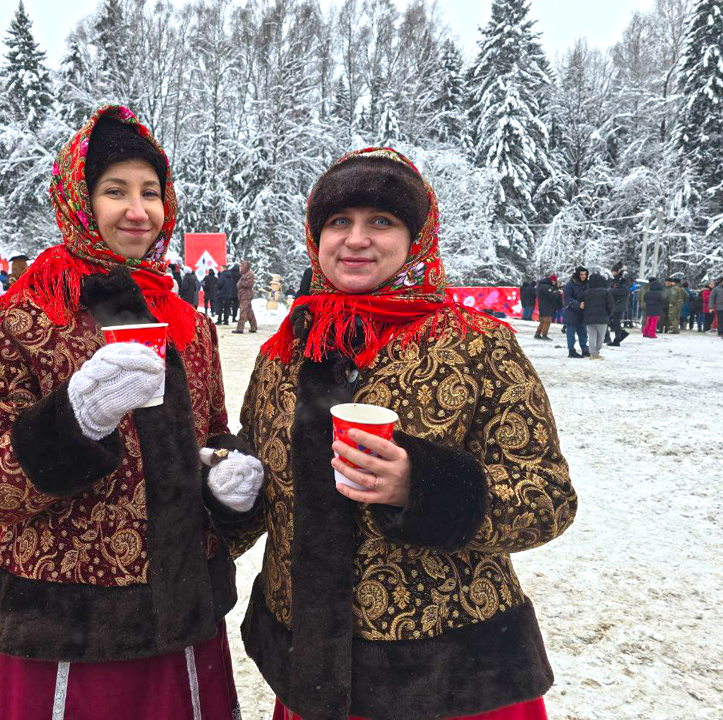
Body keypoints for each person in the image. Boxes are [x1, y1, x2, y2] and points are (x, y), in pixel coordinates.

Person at [219, 147, 576, 720]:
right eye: (339, 222)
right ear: (317, 238)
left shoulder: (476, 343)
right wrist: (229, 491)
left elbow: (548, 498)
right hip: (311, 665)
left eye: (380, 222)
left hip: (449, 677)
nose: (356, 239)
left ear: (416, 238)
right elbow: (264, 481)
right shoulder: (285, 350)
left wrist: (423, 485)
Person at [0, 105, 259, 720]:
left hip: (184, 617)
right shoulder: (17, 318)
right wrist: (75, 423)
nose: (137, 210)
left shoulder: (188, 325)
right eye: (115, 191)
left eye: (151, 192)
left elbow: (210, 438)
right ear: (77, 200)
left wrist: (226, 485)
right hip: (66, 631)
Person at [583, 273, 615, 359]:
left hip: (589, 317)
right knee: (601, 337)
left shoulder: (586, 292)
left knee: (592, 336)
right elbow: (610, 305)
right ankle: (595, 353)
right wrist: (609, 314)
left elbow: (582, 304)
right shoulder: (605, 292)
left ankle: (593, 353)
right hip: (602, 317)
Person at [562, 265, 589, 358]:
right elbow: (567, 298)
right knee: (571, 333)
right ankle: (571, 350)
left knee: (583, 333)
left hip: (583, 313)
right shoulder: (570, 285)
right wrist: (578, 304)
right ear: (577, 275)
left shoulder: (587, 284)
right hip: (571, 312)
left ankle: (585, 349)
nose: (583, 276)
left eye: (585, 274)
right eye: (581, 274)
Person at [605, 262, 631, 346]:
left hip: (619, 303)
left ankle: (617, 339)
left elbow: (624, 290)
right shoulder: (616, 278)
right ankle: (620, 334)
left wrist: (610, 290)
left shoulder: (624, 279)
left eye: (613, 271)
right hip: (615, 303)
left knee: (616, 321)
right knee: (611, 321)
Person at [233, 260, 258, 334]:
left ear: (246, 266)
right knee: (249, 312)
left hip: (246, 295)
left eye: (242, 265)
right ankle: (254, 327)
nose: (241, 267)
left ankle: (240, 328)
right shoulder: (245, 274)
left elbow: (249, 284)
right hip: (243, 295)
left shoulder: (249, 274)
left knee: (243, 312)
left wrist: (240, 283)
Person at [534, 274, 560, 339]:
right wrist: (558, 292)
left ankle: (537, 333)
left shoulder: (542, 285)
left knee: (543, 321)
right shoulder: (547, 287)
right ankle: (544, 335)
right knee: (548, 320)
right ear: (551, 280)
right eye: (554, 281)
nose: (555, 283)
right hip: (546, 306)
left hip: (543, 305)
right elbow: (551, 296)